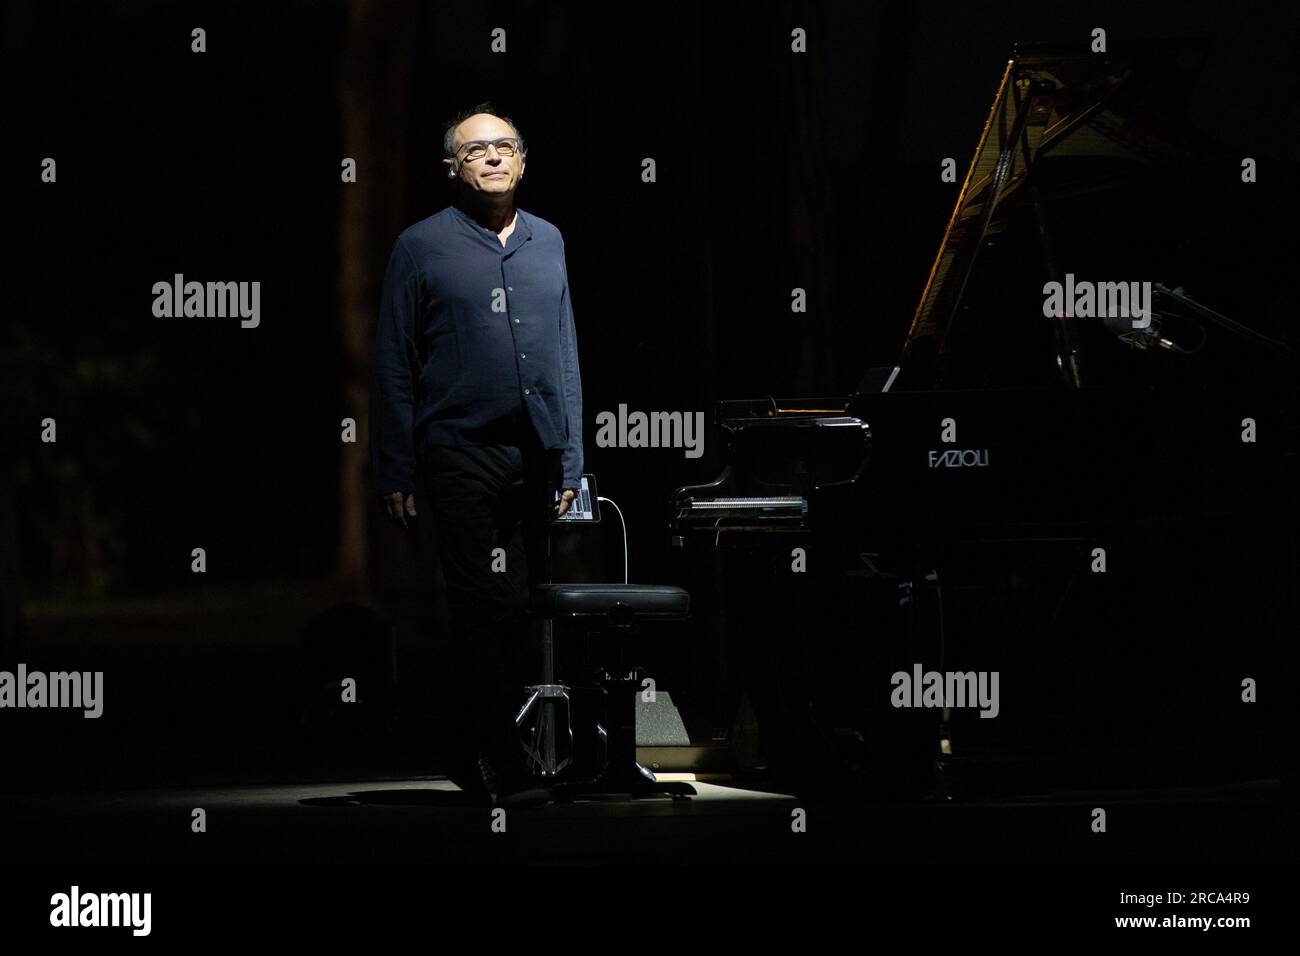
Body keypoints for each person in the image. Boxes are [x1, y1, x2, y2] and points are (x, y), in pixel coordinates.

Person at [369, 102, 584, 805]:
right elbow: (395, 362)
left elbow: (564, 353)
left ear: (523, 159)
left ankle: (473, 742)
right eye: (475, 149)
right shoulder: (421, 247)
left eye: (505, 146)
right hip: (459, 449)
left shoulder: (547, 240)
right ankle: (506, 761)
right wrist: (396, 463)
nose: (492, 157)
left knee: (520, 605)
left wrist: (572, 457)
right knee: (476, 603)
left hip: (536, 453)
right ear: (452, 168)